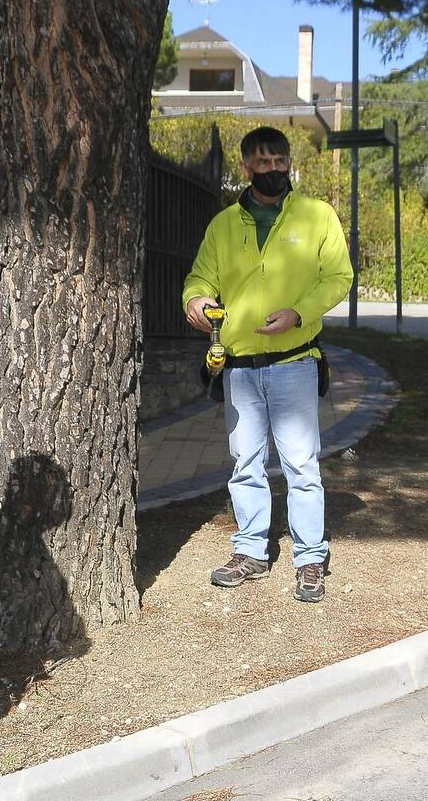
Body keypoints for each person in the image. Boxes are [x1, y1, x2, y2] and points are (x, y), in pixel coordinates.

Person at [182, 127, 354, 603]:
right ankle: (251, 550)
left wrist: (300, 312)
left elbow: (339, 276)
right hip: (239, 365)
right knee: (245, 462)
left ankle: (310, 559)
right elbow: (200, 277)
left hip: (295, 361)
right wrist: (195, 300)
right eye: (263, 164)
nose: (274, 170)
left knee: (301, 465)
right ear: (246, 168)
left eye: (280, 162)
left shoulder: (317, 216)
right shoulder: (223, 226)